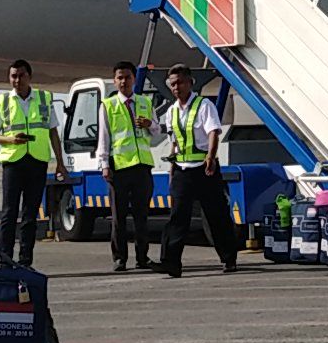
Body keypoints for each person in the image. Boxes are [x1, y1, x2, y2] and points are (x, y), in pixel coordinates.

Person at [153, 63, 240, 278]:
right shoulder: (171, 111)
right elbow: (174, 142)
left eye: (180, 82)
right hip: (183, 170)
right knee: (177, 217)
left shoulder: (204, 106)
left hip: (204, 169)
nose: (176, 87)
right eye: (173, 84)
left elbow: (213, 132)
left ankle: (229, 257)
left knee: (216, 215)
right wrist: (171, 168)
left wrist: (211, 156)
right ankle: (171, 262)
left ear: (190, 83)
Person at [0, 58, 67, 268]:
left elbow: (53, 133)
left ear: (29, 77)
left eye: (21, 75)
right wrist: (11, 139)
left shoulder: (44, 98)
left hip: (37, 161)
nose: (17, 80)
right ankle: (5, 259)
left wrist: (60, 162)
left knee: (30, 215)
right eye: (13, 76)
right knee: (9, 213)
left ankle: (25, 260)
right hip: (13, 162)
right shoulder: (2, 101)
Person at [94, 60, 162, 273]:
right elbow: (103, 137)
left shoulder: (144, 102)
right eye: (120, 78)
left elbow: (158, 131)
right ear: (114, 81)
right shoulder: (108, 105)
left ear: (134, 79)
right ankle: (120, 258)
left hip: (142, 166)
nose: (124, 81)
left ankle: (142, 257)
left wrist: (150, 124)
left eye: (127, 77)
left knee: (142, 216)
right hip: (119, 167)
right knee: (119, 217)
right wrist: (104, 164)